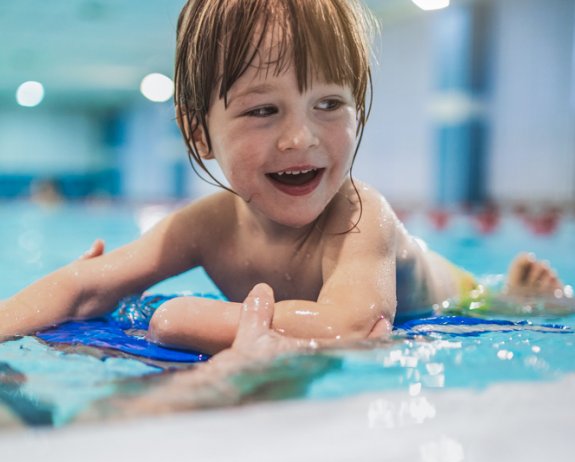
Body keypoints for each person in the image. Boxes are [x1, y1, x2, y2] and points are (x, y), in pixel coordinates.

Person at [0, 0, 571, 362]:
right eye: (262, 111)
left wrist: (182, 318)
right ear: (200, 134)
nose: (301, 138)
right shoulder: (205, 226)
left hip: (459, 300)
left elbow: (354, 325)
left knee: (513, 302)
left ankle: (516, 292)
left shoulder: (358, 217)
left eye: (328, 103)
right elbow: (86, 284)